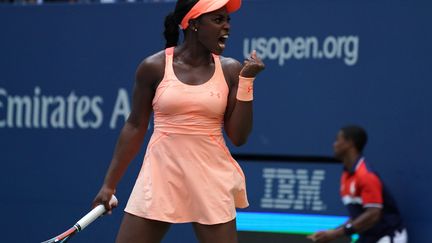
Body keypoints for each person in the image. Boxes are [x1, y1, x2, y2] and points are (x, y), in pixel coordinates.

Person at [92, 0, 265, 242]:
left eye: (228, 20)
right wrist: (109, 185)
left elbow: (239, 137)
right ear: (193, 24)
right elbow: (135, 126)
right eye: (218, 20)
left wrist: (247, 82)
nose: (227, 27)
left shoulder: (231, 70)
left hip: (210, 178)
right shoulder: (153, 67)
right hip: (161, 176)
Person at [308, 125, 407, 243]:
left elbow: (373, 214)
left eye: (338, 140)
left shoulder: (366, 176)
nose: (334, 144)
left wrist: (335, 234)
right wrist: (330, 233)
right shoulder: (346, 175)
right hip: (369, 236)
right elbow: (358, 217)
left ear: (349, 143)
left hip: (387, 236)